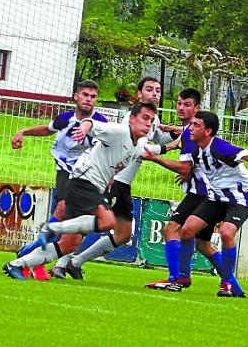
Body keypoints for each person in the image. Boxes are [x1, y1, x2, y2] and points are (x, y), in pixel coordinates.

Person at [3, 102, 157, 280]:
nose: (148, 123)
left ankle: (16, 264)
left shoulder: (139, 145)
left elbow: (127, 159)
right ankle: (53, 227)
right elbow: (91, 123)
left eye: (152, 120)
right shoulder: (119, 131)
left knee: (69, 244)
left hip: (93, 186)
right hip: (83, 181)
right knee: (107, 221)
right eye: (145, 118)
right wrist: (84, 128)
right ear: (131, 118)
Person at [50, 77, 176, 279]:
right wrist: (171, 146)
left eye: (158, 90)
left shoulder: (152, 120)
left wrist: (178, 134)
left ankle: (75, 263)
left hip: (124, 184)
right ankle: (59, 263)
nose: (155, 94)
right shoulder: (132, 119)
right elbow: (144, 149)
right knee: (90, 220)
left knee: (124, 234)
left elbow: (158, 137)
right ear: (139, 94)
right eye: (150, 89)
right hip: (113, 180)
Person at [142, 111, 248, 297]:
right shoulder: (197, 149)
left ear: (207, 131)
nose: (191, 128)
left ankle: (227, 283)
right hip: (215, 199)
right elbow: (186, 160)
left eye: (196, 125)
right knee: (188, 229)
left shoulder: (220, 148)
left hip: (239, 199)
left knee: (226, 232)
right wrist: (186, 174)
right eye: (192, 124)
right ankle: (182, 276)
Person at [11, 79, 107, 280]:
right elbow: (48, 129)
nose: (89, 100)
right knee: (62, 209)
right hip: (66, 170)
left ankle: (32, 254)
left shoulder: (101, 123)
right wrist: (23, 132)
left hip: (88, 176)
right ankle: (30, 255)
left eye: (93, 96)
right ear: (76, 96)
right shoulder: (65, 119)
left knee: (75, 225)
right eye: (85, 95)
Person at [144, 88, 225, 291]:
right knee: (203, 244)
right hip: (213, 193)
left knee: (172, 229)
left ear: (196, 108)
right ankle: (230, 281)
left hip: (201, 193)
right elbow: (178, 143)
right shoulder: (190, 130)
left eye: (187, 104)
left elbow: (185, 167)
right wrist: (166, 127)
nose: (181, 107)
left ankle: (175, 279)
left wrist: (155, 159)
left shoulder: (191, 133)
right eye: (179, 103)